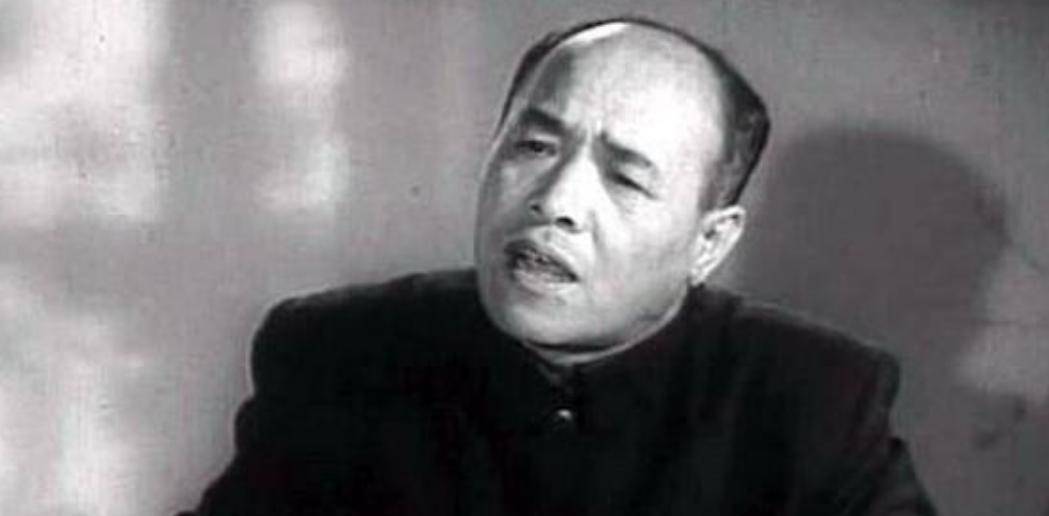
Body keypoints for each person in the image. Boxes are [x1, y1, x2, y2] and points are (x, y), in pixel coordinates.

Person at [183, 16, 937, 516]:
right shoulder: (336, 354)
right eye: (535, 147)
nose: (556, 200)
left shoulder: (815, 400)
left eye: (626, 178)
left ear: (708, 242)